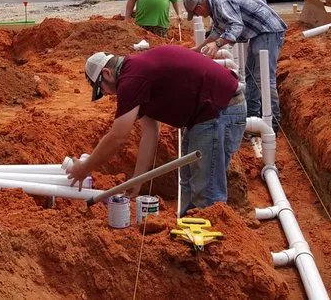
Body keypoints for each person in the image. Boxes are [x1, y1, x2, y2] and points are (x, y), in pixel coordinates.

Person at [66, 46, 246, 215]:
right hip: (207, 114)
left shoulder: (131, 80)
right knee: (188, 182)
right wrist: (138, 180)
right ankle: (187, 235)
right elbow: (150, 134)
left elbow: (118, 136)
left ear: (107, 73)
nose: (107, 94)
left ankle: (208, 243)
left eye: (102, 89)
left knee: (207, 191)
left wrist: (84, 168)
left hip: (219, 110)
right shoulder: (137, 74)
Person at [183, 0, 286, 131]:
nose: (198, 16)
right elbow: (217, 31)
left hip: (268, 31)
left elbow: (236, 26)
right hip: (259, 33)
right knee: (252, 77)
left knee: (264, 78)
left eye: (196, 13)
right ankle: (252, 117)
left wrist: (218, 44)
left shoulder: (221, 2)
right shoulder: (215, 6)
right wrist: (199, 48)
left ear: (199, 8)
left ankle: (273, 123)